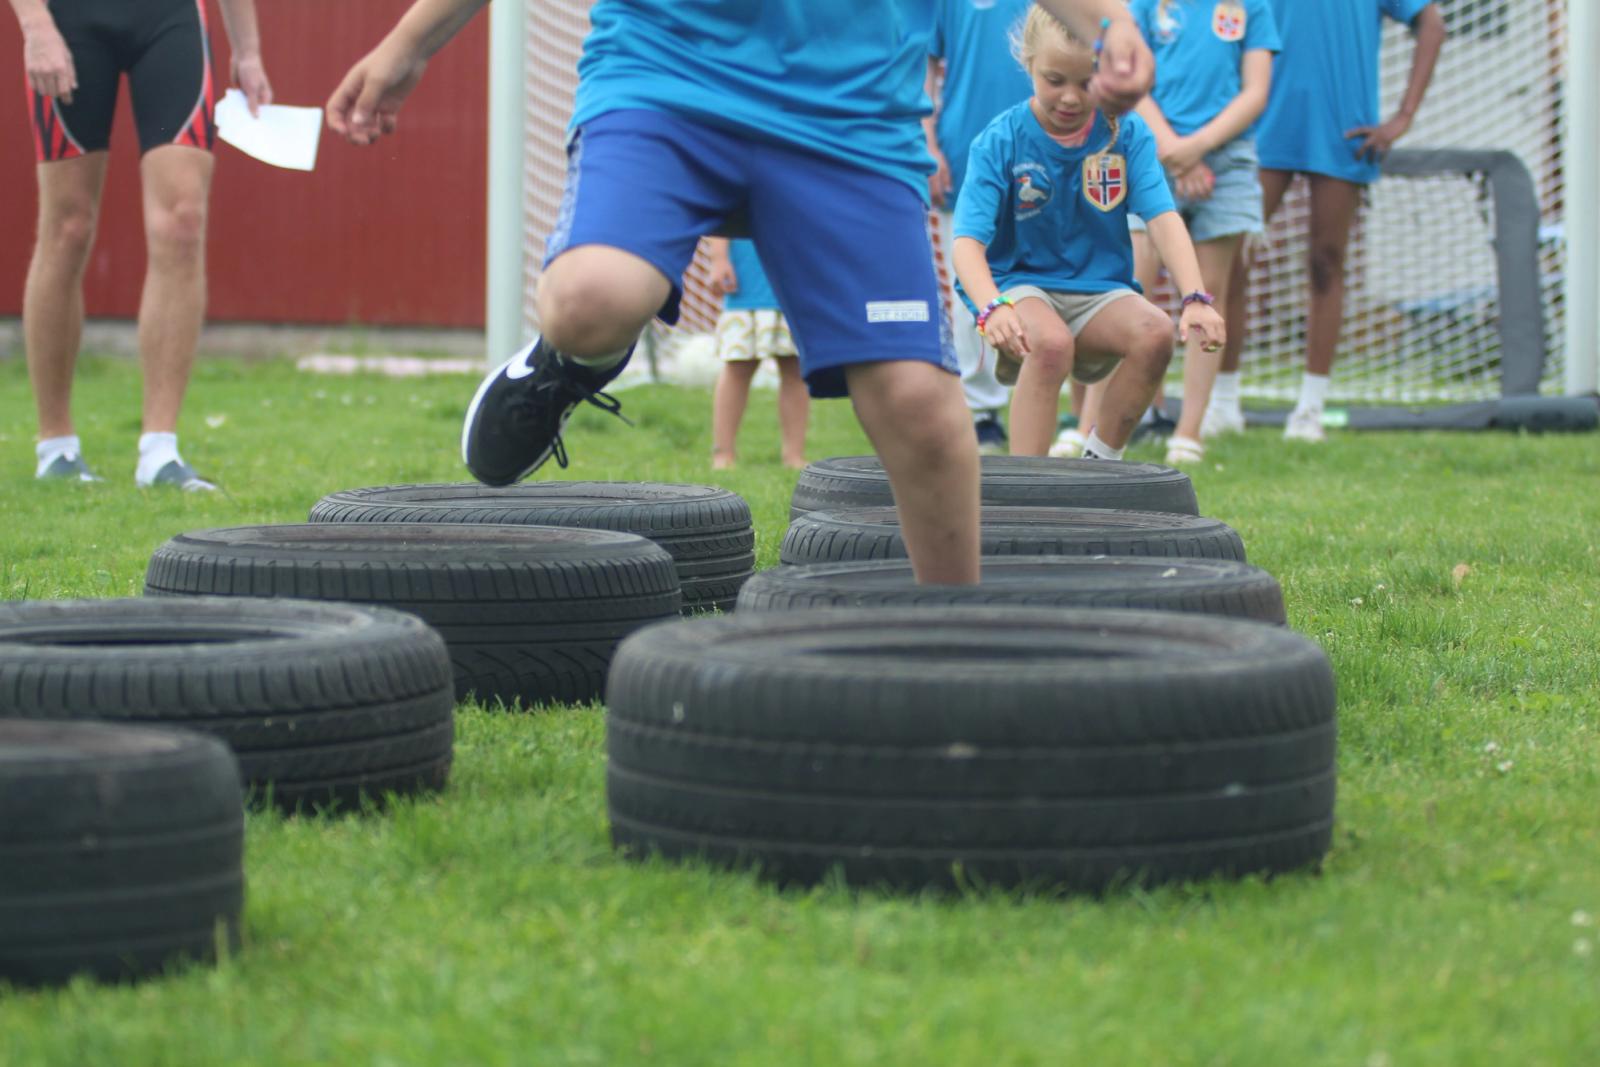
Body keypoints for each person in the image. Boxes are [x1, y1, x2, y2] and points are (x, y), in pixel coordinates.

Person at [327, 0, 1154, 585]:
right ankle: (569, 364)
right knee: (589, 298)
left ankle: (960, 654)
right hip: (669, 74)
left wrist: (1111, 25)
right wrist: (408, 44)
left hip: (850, 114)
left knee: (920, 410)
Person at [12, 0, 271, 489]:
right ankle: (56, 447)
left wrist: (249, 50)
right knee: (68, 227)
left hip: (169, 18)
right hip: (69, 19)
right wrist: (36, 25)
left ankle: (160, 452)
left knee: (182, 221)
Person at [951, 5, 1225, 461]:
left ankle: (1099, 466)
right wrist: (991, 308)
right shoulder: (1000, 140)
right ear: (1029, 63)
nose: (1070, 98)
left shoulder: (1127, 134)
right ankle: (1028, 484)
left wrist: (1195, 297)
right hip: (1020, 286)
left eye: (1086, 82)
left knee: (1156, 333)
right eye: (1054, 80)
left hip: (1098, 291)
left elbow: (1162, 219)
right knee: (1051, 343)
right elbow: (966, 245)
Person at [1208, 0, 1445, 443]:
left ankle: (1310, 410)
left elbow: (1431, 22)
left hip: (1343, 127)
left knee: (1326, 262)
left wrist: (1403, 117)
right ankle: (1222, 403)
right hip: (1263, 123)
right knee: (1230, 258)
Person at [1079, 0, 1278, 465]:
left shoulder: (1253, 7)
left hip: (1226, 161)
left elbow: (1255, 92)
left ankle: (1189, 432)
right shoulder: (1143, 5)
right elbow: (1132, 78)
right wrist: (1171, 148)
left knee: (1209, 292)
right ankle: (1090, 426)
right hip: (1148, 149)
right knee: (1124, 291)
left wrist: (1197, 148)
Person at [926, 0, 1035, 456]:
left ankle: (1037, 400)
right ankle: (980, 411)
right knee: (967, 284)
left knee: (1041, 277)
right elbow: (924, 68)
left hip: (1041, 150)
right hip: (963, 150)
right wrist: (927, 143)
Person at [703, 238, 808, 471]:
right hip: (745, 283)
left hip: (793, 283)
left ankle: (794, 456)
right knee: (738, 367)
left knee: (795, 369)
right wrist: (719, 259)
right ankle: (723, 454)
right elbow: (720, 219)